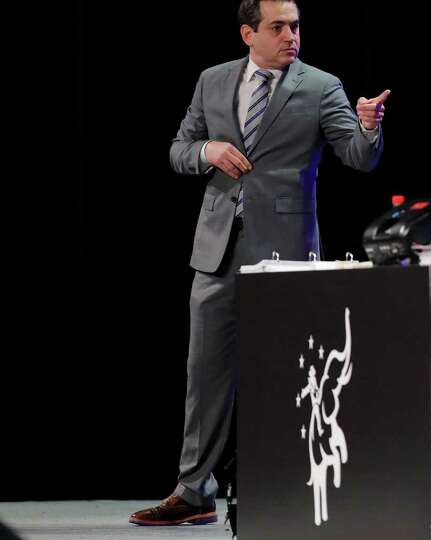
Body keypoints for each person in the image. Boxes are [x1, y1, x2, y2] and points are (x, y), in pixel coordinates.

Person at [130, 0, 389, 526]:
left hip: (286, 251)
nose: (291, 35)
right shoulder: (213, 80)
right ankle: (194, 492)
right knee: (205, 374)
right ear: (249, 33)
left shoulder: (320, 85)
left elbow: (359, 157)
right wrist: (208, 151)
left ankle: (284, 488)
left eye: (295, 26)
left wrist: (368, 127)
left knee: (288, 375)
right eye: (278, 27)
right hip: (217, 248)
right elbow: (178, 149)